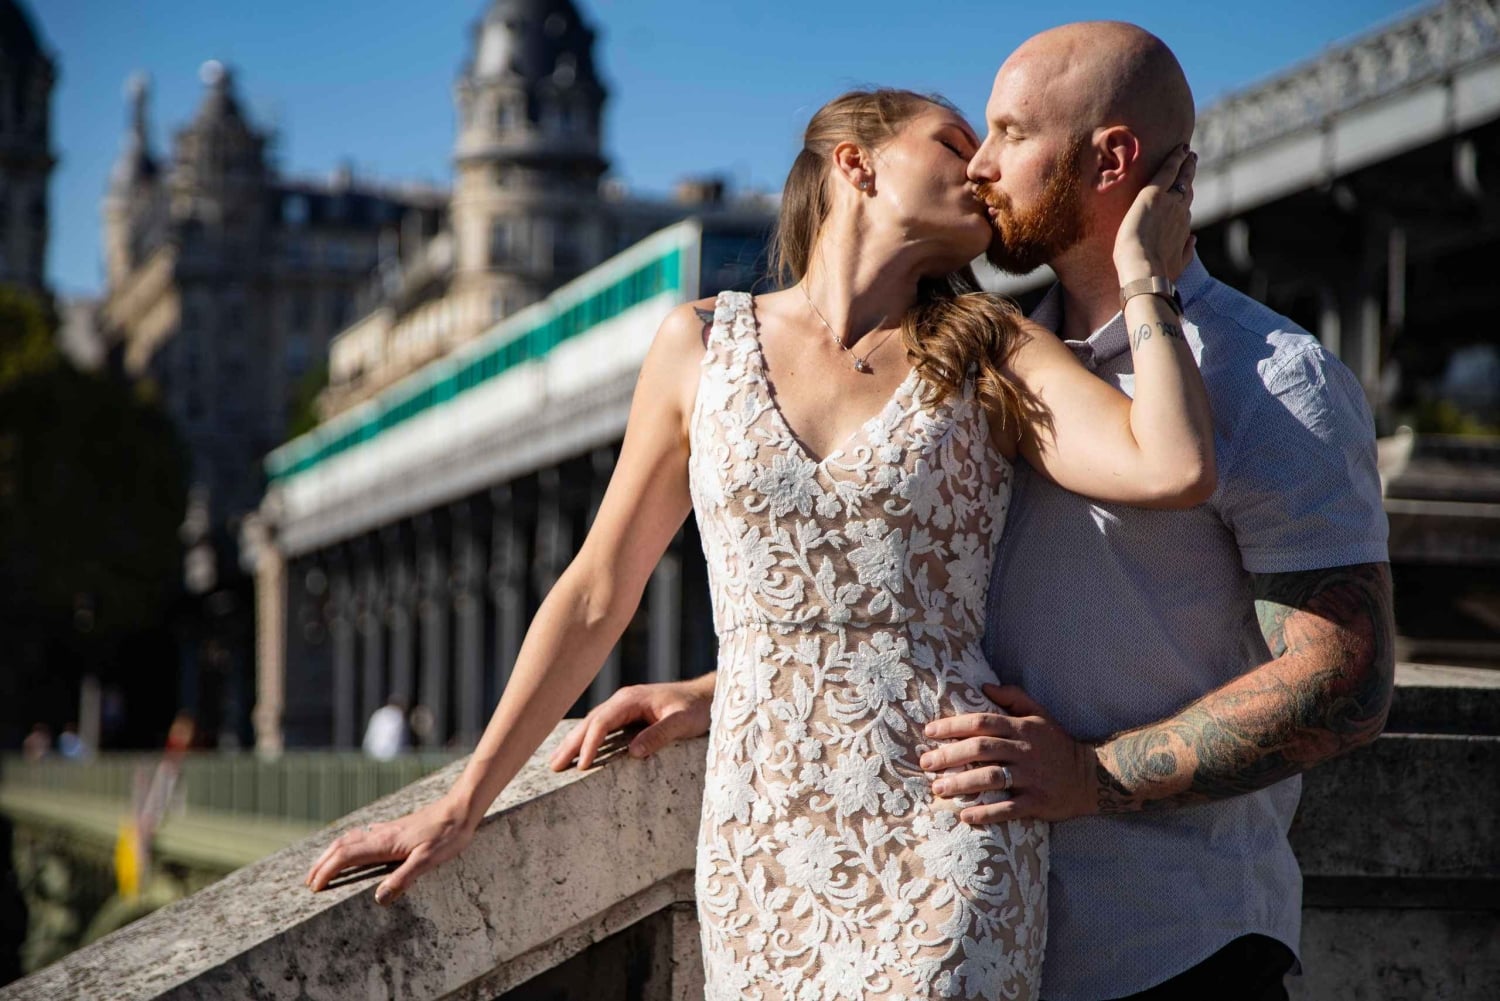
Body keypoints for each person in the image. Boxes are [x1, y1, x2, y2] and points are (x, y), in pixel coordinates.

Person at [306, 82, 1211, 999]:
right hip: (760, 831)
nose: (982, 167)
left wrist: (1145, 275)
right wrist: (463, 803)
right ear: (856, 162)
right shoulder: (700, 343)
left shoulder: (994, 348)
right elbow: (596, 588)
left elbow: (1171, 464)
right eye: (953, 142)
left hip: (951, 822)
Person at [554, 22, 1395, 1001]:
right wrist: (722, 687)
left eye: (1006, 133)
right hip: (971, 911)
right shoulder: (988, 358)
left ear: (1111, 156)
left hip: (1169, 946)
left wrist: (1094, 775)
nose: (983, 166)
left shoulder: (1268, 380)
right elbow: (938, 602)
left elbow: (1346, 680)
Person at [362, 696, 409, 761]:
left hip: (372, 752)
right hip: (388, 755)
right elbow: (394, 736)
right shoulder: (397, 715)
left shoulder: (379, 713)